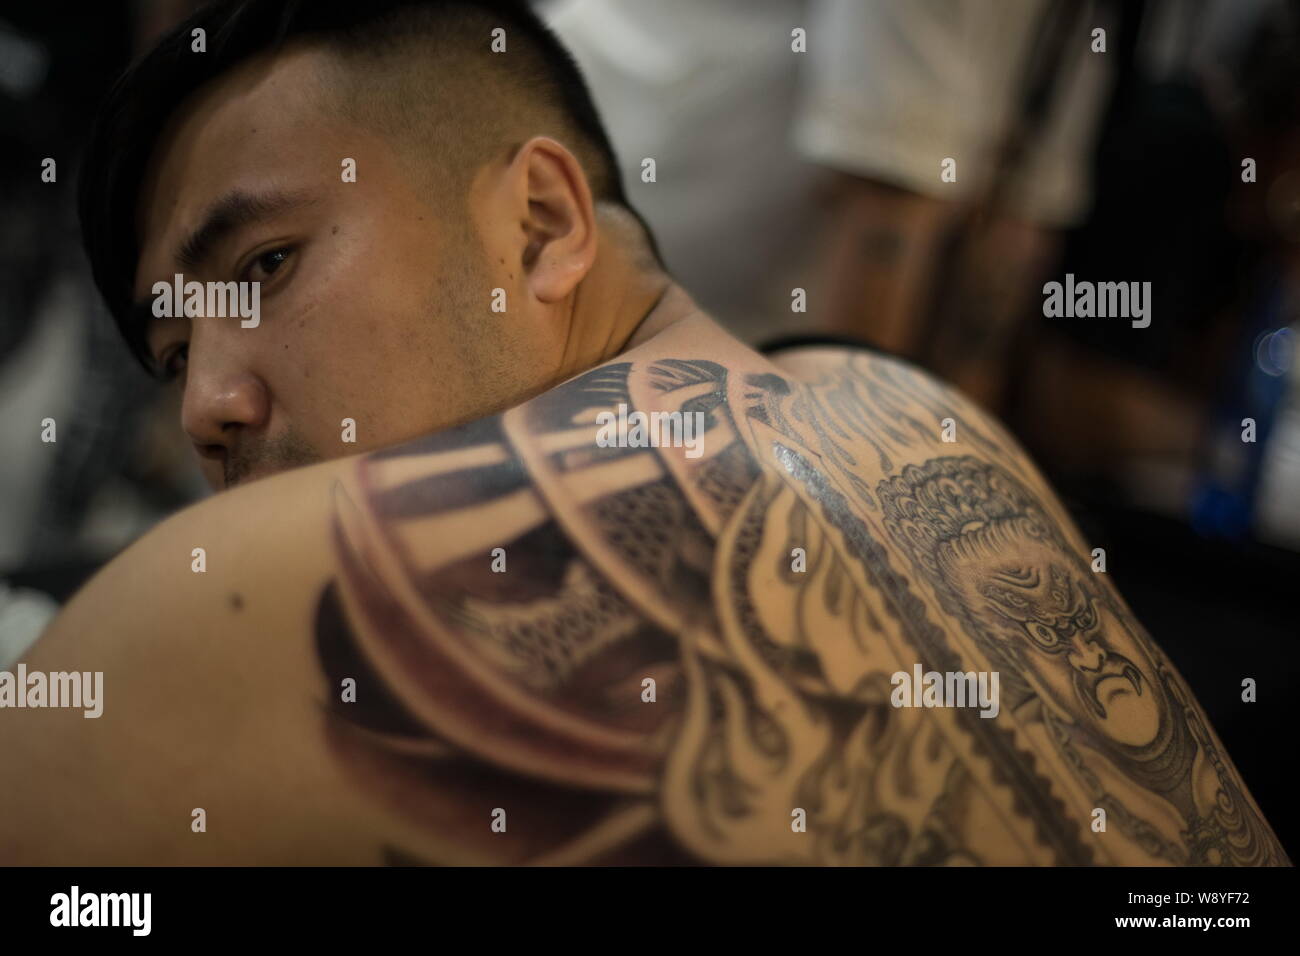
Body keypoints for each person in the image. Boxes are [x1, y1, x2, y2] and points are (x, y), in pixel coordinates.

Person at [0, 0, 1286, 866]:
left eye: (268, 265)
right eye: (174, 352)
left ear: (544, 226)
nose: (203, 405)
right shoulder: (929, 421)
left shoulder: (249, 590)